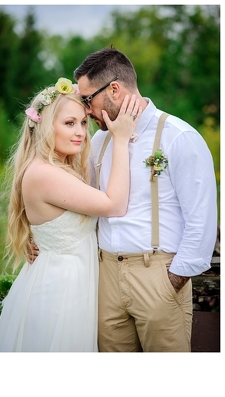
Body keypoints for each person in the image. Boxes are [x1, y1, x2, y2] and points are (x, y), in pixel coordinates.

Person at [75, 48, 217, 352]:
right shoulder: (98, 141)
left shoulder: (179, 137)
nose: (85, 111)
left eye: (88, 100)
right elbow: (82, 201)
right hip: (105, 277)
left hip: (158, 276)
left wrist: (172, 281)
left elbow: (201, 219)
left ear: (114, 89)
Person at [0, 77, 142, 352]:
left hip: (70, 281)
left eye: (83, 123)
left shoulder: (55, 168)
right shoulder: (45, 174)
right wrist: (120, 140)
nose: (81, 132)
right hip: (61, 291)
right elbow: (115, 205)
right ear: (46, 126)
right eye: (69, 123)